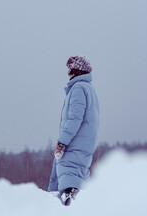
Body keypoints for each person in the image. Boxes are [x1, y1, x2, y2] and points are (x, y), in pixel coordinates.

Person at [48, 55, 100, 206]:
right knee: (77, 174)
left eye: (70, 69)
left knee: (69, 175)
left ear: (77, 70)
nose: (68, 73)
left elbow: (74, 119)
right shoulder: (89, 89)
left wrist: (62, 142)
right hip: (84, 143)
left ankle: (68, 201)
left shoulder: (78, 89)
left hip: (74, 143)